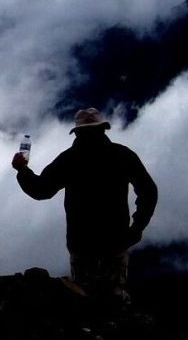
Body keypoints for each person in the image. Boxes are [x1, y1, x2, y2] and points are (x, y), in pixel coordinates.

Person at [11, 108, 157, 303]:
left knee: (83, 296)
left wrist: (22, 171)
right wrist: (137, 227)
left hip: (81, 241)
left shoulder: (69, 159)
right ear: (103, 129)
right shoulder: (122, 155)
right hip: (116, 238)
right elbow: (148, 191)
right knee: (115, 298)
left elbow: (41, 190)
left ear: (77, 132)